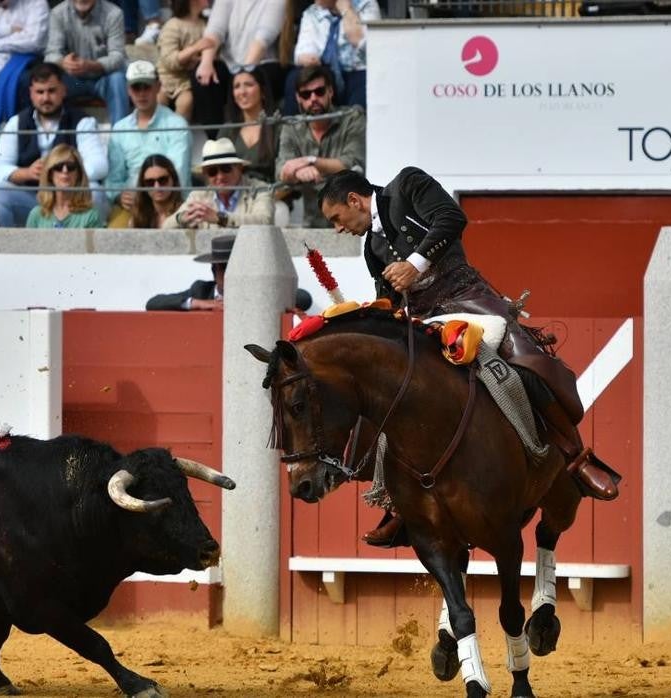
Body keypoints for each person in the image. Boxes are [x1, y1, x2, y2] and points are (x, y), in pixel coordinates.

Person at [316, 168, 620, 546]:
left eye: (336, 219)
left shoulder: (407, 187)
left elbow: (452, 218)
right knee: (390, 396)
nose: (338, 228)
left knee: (526, 361)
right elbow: (393, 302)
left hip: (468, 300)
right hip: (425, 321)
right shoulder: (370, 250)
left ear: (354, 201)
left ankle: (577, 460)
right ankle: (398, 503)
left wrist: (415, 264)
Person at [0, 62, 107, 227]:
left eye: (51, 91)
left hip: (69, 200)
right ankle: (8, 250)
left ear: (63, 90)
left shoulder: (82, 121)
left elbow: (99, 165)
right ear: (31, 94)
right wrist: (26, 173)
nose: (45, 98)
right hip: (31, 199)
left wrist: (57, 172)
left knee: (96, 192)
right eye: (40, 92)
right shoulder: (17, 122)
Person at [276, 64, 365, 228]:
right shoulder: (291, 127)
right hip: (312, 221)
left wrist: (310, 161)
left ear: (330, 92)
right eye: (306, 94)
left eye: (319, 91)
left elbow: (353, 162)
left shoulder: (352, 118)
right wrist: (300, 171)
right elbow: (281, 170)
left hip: (353, 221)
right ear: (298, 98)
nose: (313, 99)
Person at [106, 60, 191, 227]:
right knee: (112, 240)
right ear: (128, 90)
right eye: (136, 87)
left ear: (158, 87)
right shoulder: (120, 128)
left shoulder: (176, 124)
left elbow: (179, 174)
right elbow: (113, 179)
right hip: (133, 206)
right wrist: (118, 195)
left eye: (147, 86)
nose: (141, 93)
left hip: (171, 205)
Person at [192, 0, 286, 136]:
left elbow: (264, 37)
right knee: (203, 77)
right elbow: (215, 30)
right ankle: (216, 141)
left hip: (262, 64)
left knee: (254, 81)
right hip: (231, 65)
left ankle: (262, 135)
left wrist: (243, 75)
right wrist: (206, 62)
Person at [147, 233, 312, 310]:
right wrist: (199, 303)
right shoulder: (201, 290)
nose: (231, 273)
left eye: (236, 266)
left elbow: (304, 298)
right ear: (214, 270)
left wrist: (252, 301)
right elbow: (153, 303)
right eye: (225, 267)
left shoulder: (257, 291)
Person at [284, 0, 378, 114]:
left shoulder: (366, 5)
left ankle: (354, 128)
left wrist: (346, 10)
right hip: (324, 70)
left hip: (358, 72)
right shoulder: (312, 12)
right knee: (294, 78)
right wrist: (307, 59)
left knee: (364, 90)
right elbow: (301, 53)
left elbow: (366, 45)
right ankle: (292, 129)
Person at [44, 0, 129, 123]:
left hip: (104, 78)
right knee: (50, 81)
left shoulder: (114, 13)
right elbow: (51, 54)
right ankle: (56, 135)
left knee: (118, 79)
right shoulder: (57, 13)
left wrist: (92, 65)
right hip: (74, 81)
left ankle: (120, 134)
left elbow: (118, 56)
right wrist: (63, 62)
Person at [164, 137, 272, 229]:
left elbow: (264, 220)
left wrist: (221, 218)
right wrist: (181, 219)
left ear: (239, 168)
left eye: (226, 168)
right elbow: (165, 227)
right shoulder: (198, 196)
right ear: (205, 175)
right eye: (212, 172)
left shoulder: (258, 189)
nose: (220, 176)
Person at [216, 66, 278, 183]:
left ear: (263, 91)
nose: (242, 92)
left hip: (271, 196)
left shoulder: (278, 128)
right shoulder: (227, 130)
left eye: (248, 85)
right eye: (237, 86)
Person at [155, 0, 209, 121]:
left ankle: (178, 136)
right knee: (158, 101)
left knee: (186, 102)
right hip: (164, 78)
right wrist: (195, 48)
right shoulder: (172, 25)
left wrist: (191, 59)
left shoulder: (205, 25)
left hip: (186, 81)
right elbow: (169, 59)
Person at [25, 143, 101, 228]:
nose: (65, 171)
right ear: (50, 174)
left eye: (70, 166)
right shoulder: (36, 215)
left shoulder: (91, 215)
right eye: (59, 166)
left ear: (78, 174)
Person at [120, 153, 182, 229]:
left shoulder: (185, 213)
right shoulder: (136, 220)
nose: (157, 187)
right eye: (150, 182)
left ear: (173, 180)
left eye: (163, 180)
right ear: (143, 185)